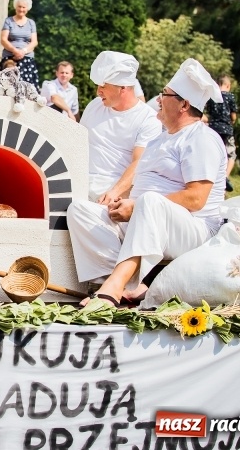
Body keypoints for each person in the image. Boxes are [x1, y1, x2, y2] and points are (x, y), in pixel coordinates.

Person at [69, 58, 226, 307]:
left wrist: (138, 205)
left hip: (193, 227)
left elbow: (197, 198)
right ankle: (126, 286)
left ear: (184, 104)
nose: (158, 98)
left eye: (165, 94)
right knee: (80, 210)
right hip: (146, 216)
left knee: (150, 202)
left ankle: (113, 288)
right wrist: (125, 202)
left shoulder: (201, 139)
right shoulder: (160, 139)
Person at [77, 51, 161, 203]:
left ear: (123, 88)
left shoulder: (148, 119)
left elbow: (139, 163)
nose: (98, 92)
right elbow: (78, 143)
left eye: (103, 86)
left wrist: (113, 193)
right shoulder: (95, 105)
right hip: (80, 185)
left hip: (114, 192)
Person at [0, 0, 39, 90]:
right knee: (7, 88)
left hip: (26, 59)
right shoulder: (8, 21)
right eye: (19, 6)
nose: (21, 9)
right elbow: (3, 40)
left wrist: (23, 51)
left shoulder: (31, 23)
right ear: (15, 7)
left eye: (24, 7)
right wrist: (15, 51)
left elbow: (34, 42)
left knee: (27, 89)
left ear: (27, 8)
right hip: (10, 59)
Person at [203, 74, 237, 192]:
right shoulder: (231, 96)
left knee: (214, 153)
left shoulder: (212, 97)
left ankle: (213, 176)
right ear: (228, 85)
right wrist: (232, 121)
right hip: (227, 129)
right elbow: (233, 115)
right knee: (231, 154)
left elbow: (208, 113)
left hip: (213, 129)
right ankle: (225, 177)